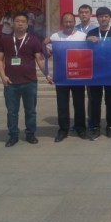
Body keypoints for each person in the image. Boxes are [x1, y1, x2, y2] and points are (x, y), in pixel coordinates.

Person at [0, 12, 48, 147]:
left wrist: (47, 74)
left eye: (23, 21)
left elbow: (39, 60)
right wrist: (3, 76)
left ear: (27, 24)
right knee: (12, 112)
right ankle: (13, 135)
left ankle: (30, 134)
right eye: (17, 21)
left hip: (29, 82)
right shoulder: (5, 40)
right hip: (10, 83)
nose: (20, 24)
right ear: (13, 24)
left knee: (30, 111)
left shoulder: (33, 39)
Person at [45, 12, 87, 141]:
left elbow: (90, 53)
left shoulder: (83, 36)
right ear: (62, 23)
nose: (68, 24)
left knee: (79, 104)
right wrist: (44, 45)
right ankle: (63, 130)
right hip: (61, 76)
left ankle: (80, 128)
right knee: (62, 105)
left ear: (74, 23)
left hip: (78, 76)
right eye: (66, 22)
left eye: (70, 21)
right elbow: (47, 55)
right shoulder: (55, 37)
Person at [86, 6, 111, 140]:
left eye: (106, 16)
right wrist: (88, 40)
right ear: (97, 18)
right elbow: (86, 51)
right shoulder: (92, 32)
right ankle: (95, 127)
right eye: (101, 16)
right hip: (95, 72)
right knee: (95, 101)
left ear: (110, 18)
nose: (103, 19)